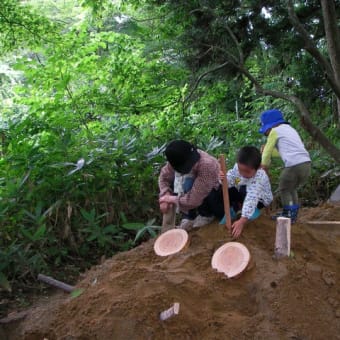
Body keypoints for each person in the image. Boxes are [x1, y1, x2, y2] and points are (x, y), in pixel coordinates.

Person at [158, 139, 224, 231]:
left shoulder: (207, 165)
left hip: (213, 193)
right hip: (191, 191)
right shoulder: (177, 160)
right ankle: (189, 217)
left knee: (188, 183)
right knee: (181, 181)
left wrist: (171, 199)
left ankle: (206, 214)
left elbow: (194, 199)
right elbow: (164, 178)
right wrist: (165, 194)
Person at [259, 109, 311, 222]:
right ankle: (293, 213)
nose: (266, 134)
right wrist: (268, 153)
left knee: (284, 187)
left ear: (270, 126)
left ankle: (288, 214)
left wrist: (263, 164)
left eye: (266, 131)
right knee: (292, 188)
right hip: (306, 164)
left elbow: (268, 150)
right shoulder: (290, 130)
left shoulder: (275, 131)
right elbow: (283, 151)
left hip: (294, 164)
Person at [220, 146, 273, 238]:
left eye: (247, 172)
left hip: (260, 199)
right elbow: (232, 178)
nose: (243, 174)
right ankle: (237, 209)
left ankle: (249, 212)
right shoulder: (238, 168)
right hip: (243, 190)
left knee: (249, 212)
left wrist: (242, 220)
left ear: (258, 168)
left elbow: (251, 198)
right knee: (231, 189)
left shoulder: (259, 177)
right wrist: (223, 178)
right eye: (241, 170)